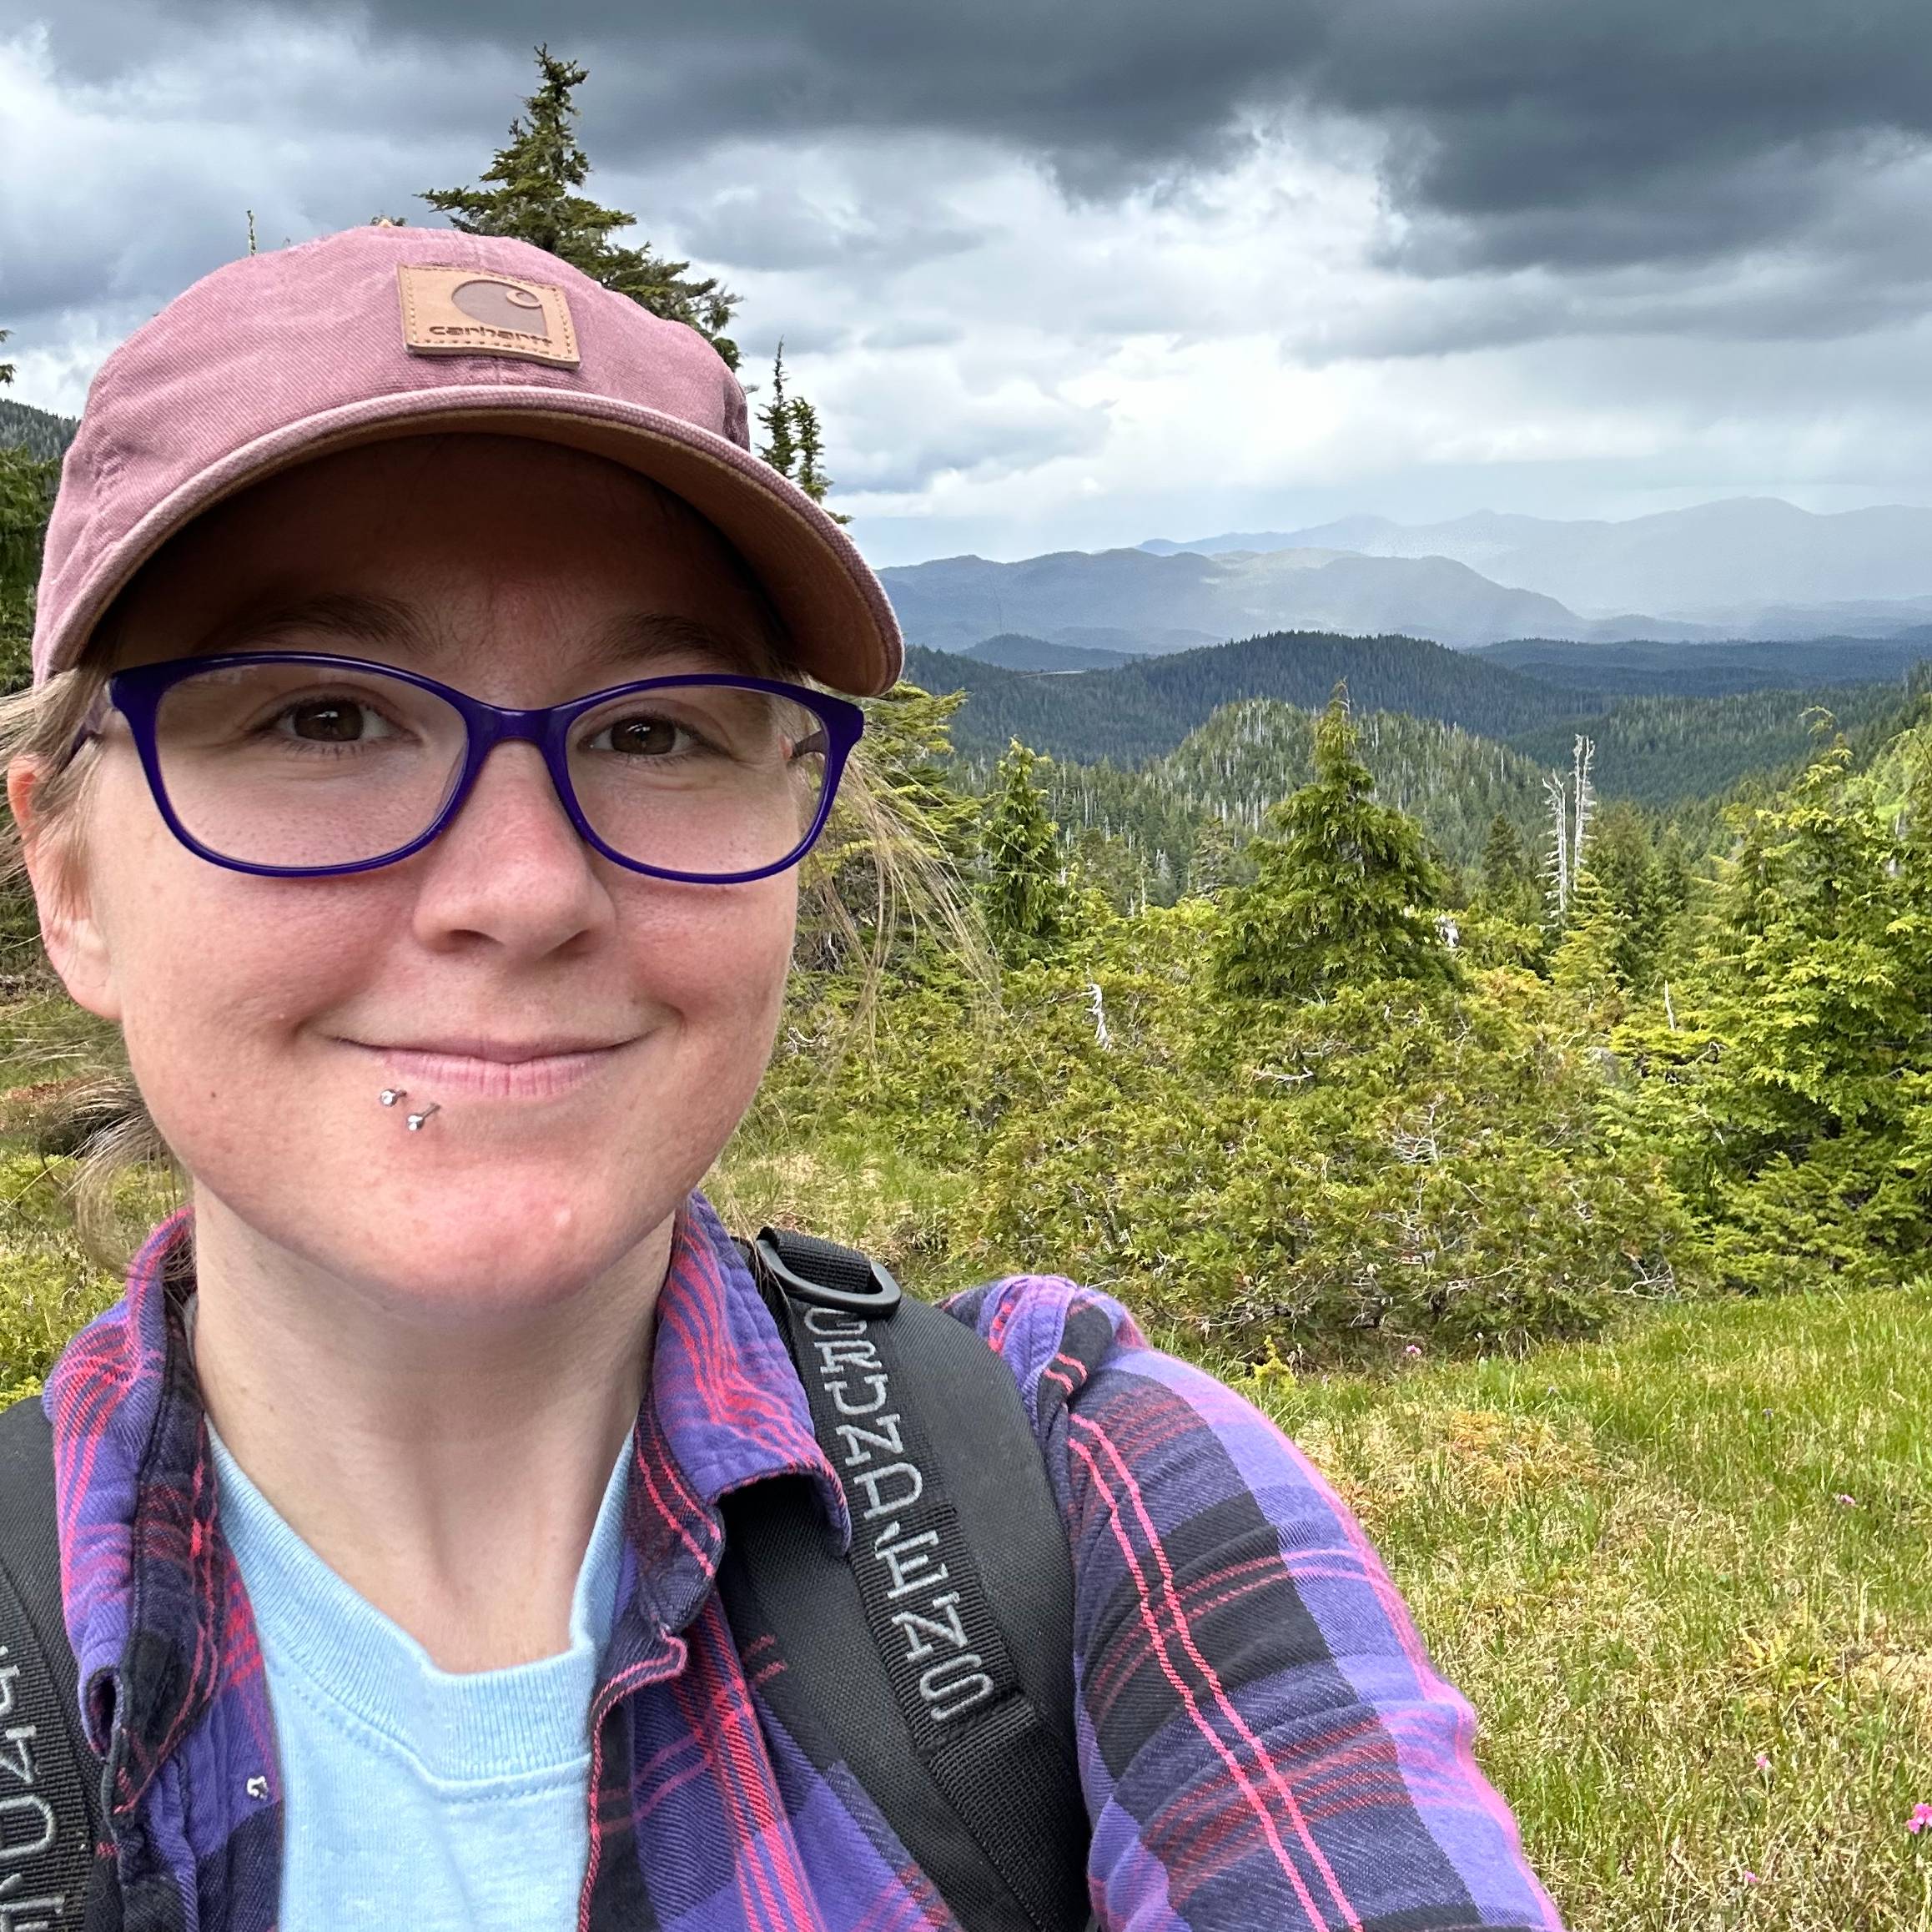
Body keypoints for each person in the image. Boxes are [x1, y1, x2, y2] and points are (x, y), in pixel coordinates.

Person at [0, 225, 1562, 1932]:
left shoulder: (1087, 1484)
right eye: (317, 717)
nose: (522, 892)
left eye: (657, 728)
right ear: (70, 875)